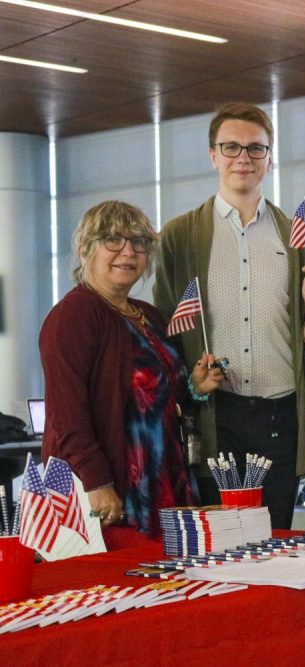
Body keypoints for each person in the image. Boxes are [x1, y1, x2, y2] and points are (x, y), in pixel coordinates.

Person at [154, 102, 305, 529]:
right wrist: (192, 387)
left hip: (279, 414)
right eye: (231, 147)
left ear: (270, 159)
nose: (243, 158)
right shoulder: (181, 235)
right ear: (213, 155)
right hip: (216, 414)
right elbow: (164, 331)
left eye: (256, 149)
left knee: (275, 538)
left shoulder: (300, 238)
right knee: (218, 542)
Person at [40, 201, 224, 544]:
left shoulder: (150, 316)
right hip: (111, 490)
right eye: (113, 240)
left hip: (164, 480)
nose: (128, 251)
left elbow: (156, 401)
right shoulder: (73, 316)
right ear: (85, 250)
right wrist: (98, 484)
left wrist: (195, 387)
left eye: (138, 242)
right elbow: (67, 417)